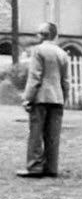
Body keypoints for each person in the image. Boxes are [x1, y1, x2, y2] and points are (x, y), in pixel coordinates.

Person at [18, 22, 71, 178]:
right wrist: (64, 98)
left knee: (36, 132)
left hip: (41, 98)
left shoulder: (38, 51)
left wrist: (27, 98)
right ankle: (51, 167)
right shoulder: (62, 53)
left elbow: (35, 77)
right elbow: (66, 80)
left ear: (42, 34)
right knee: (53, 135)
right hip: (57, 99)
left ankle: (34, 167)